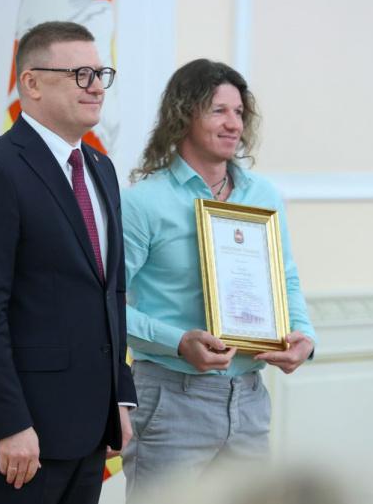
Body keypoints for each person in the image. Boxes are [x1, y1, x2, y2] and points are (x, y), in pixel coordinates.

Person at [0, 21, 136, 504]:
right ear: (30, 83)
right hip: (23, 434)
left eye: (101, 73)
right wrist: (9, 423)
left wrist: (119, 397)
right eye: (80, 74)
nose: (97, 87)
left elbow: (111, 291)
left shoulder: (101, 168)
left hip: (91, 428)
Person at [120, 59, 317, 501]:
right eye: (219, 111)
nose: (234, 124)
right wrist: (177, 342)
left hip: (249, 398)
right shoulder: (142, 202)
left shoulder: (263, 195)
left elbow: (285, 278)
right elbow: (104, 305)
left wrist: (305, 336)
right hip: (172, 400)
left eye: (239, 112)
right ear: (183, 115)